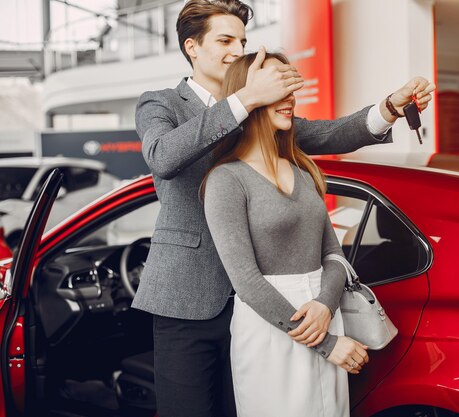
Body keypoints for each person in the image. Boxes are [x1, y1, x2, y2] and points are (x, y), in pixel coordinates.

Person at [133, 1, 435, 416]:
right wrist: (244, 98)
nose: (236, 51)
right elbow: (163, 157)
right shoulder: (161, 103)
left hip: (265, 306)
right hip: (189, 299)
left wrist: (388, 109)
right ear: (192, 47)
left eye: (241, 41)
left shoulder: (261, 106)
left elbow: (326, 134)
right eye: (224, 41)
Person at [203, 51, 370, 417]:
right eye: (278, 87)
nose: (290, 97)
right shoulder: (226, 180)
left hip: (324, 314)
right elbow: (245, 281)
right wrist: (326, 343)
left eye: (291, 87)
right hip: (271, 328)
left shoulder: (302, 168)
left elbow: (333, 252)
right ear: (250, 95)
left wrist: (326, 305)